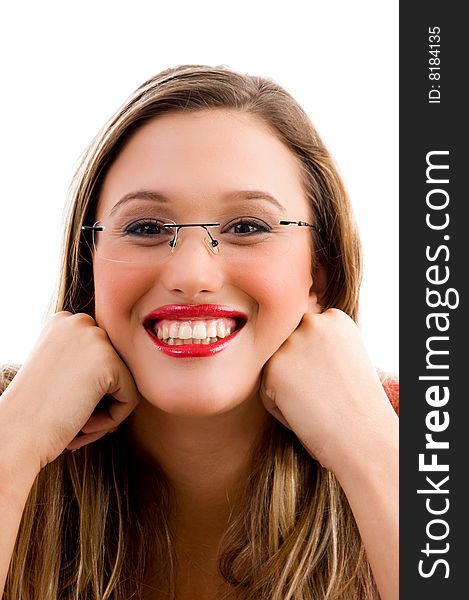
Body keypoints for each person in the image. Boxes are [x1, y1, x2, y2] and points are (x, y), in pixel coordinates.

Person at [0, 64, 398, 600]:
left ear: (318, 273)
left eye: (248, 227)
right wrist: (15, 439)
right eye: (145, 227)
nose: (191, 275)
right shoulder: (12, 421)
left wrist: (373, 451)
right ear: (88, 263)